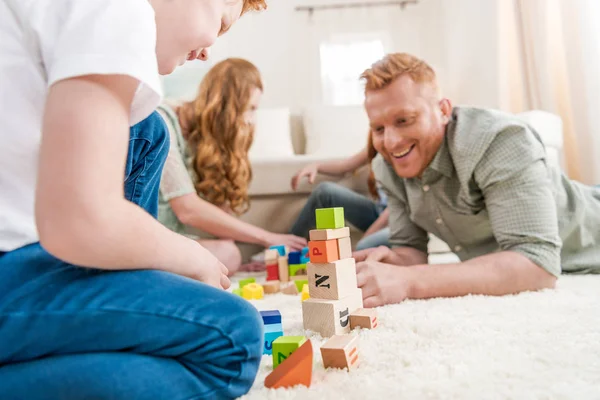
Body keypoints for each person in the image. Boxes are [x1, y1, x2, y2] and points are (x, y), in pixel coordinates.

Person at [0, 1, 267, 399]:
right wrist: (188, 254)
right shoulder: (119, 10)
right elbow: (79, 221)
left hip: (28, 253)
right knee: (234, 337)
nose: (209, 49)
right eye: (222, 24)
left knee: (147, 131)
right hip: (14, 268)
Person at [354, 53, 600, 308]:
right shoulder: (386, 167)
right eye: (379, 129)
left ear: (443, 110)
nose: (391, 142)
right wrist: (393, 265)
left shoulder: (499, 140)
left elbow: (536, 264)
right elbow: (410, 251)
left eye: (404, 120)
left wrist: (410, 280)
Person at [156, 58, 306, 274]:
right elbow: (187, 209)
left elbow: (220, 216)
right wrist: (268, 238)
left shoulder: (206, 134)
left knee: (227, 253)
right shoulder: (162, 122)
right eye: (250, 108)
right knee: (228, 255)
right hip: (151, 239)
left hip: (172, 237)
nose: (252, 120)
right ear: (228, 105)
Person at [289, 133, 390, 250]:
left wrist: (362, 244)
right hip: (379, 213)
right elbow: (345, 166)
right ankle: (288, 246)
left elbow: (393, 211)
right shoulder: (377, 142)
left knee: (363, 247)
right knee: (325, 192)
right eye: (378, 128)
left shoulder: (406, 151)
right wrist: (316, 166)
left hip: (397, 222)